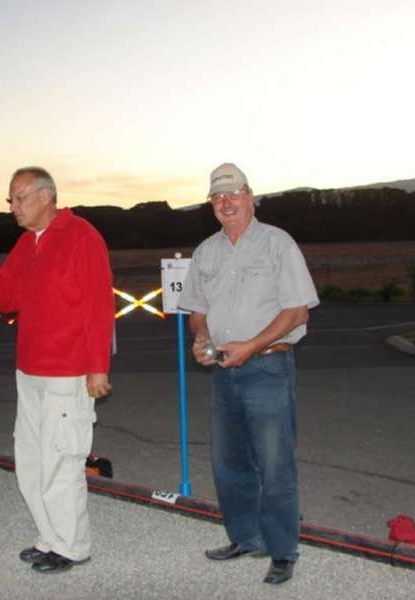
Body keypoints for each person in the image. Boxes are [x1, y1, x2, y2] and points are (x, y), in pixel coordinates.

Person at [0, 166, 114, 574]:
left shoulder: (82, 237)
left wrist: (98, 369)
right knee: (31, 460)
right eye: (10, 199)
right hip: (30, 371)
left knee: (61, 459)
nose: (13, 207)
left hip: (69, 372)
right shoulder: (27, 243)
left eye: (19, 197)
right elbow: (7, 298)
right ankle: (49, 537)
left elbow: (98, 307)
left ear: (47, 196)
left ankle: (72, 546)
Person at [177, 163, 319, 585]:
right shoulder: (206, 252)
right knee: (229, 463)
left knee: (275, 464)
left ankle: (281, 549)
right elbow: (197, 311)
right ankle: (245, 537)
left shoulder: (278, 244)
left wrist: (251, 347)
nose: (226, 201)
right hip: (225, 371)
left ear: (250, 196)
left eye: (233, 193)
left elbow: (297, 310)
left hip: (268, 366)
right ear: (212, 205)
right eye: (217, 196)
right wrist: (201, 339)